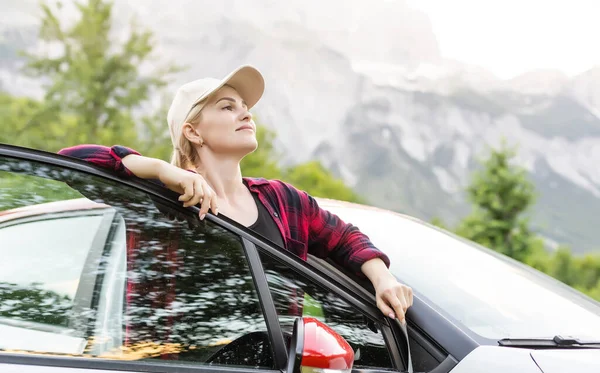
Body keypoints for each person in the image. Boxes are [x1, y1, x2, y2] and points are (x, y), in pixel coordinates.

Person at [58, 65, 413, 323]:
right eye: (228, 106)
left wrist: (384, 280)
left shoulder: (282, 201)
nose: (245, 112)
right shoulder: (159, 198)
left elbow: (346, 239)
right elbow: (70, 162)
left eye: (245, 106)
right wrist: (161, 170)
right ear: (193, 132)